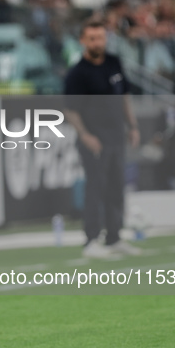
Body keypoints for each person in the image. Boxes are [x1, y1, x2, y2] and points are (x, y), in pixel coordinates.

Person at [64, 20, 142, 258]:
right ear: (83, 41)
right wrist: (85, 135)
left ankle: (114, 237)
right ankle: (91, 240)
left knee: (117, 188)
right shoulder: (77, 73)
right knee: (95, 188)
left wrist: (133, 126)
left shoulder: (113, 63)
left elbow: (124, 97)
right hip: (95, 139)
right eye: (93, 38)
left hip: (117, 135)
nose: (98, 42)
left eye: (101, 37)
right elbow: (71, 109)